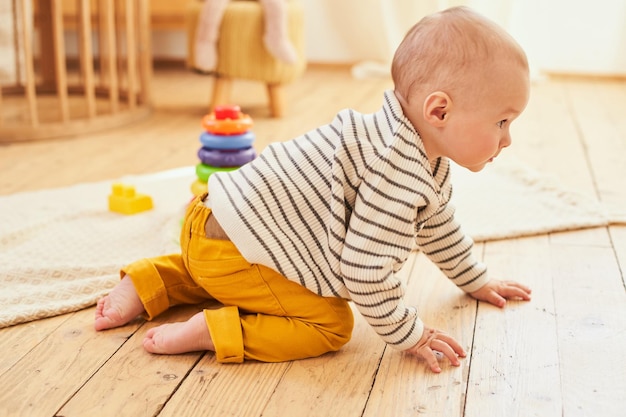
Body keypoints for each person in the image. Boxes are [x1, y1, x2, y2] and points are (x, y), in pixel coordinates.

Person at [95, 6, 532, 373]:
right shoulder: (397, 170)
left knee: (247, 267)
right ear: (439, 110)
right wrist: (410, 334)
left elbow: (437, 224)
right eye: (501, 122)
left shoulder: (408, 145)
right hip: (229, 253)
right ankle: (215, 331)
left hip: (208, 225)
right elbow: (364, 274)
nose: (507, 139)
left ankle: (153, 280)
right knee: (330, 323)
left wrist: (475, 279)